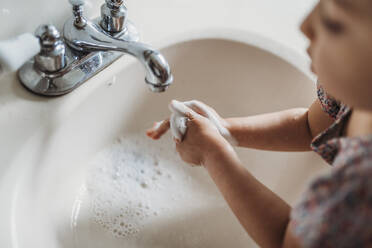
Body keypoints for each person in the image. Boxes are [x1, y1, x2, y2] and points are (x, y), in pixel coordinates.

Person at [146, 0, 372, 247]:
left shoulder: (362, 186)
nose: (305, 26)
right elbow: (311, 126)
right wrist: (224, 130)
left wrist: (213, 154)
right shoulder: (357, 94)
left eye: (332, 22)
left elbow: (287, 241)